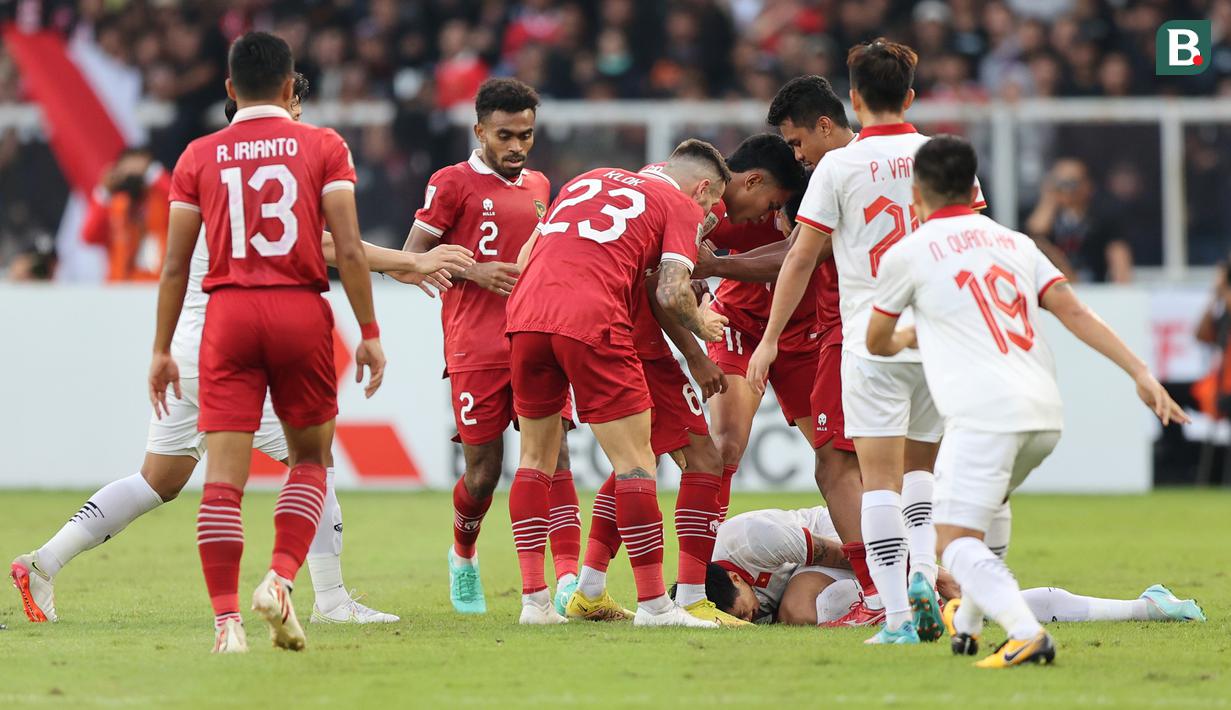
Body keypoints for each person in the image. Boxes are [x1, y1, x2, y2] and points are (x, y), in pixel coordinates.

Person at [9, 72, 470, 629]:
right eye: (295, 102)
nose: (297, 114)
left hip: (192, 347)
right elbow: (325, 243)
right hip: (236, 346)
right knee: (312, 462)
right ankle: (328, 601)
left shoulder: (205, 158)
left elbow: (189, 261)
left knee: (160, 479)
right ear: (275, 100)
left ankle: (43, 562)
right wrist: (412, 261)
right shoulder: (279, 157)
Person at [866, 134, 1188, 667]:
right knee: (985, 515)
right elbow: (1075, 312)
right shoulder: (1016, 242)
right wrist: (1140, 371)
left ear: (917, 194)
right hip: (1043, 413)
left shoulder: (910, 251)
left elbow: (877, 340)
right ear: (974, 189)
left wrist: (907, 337)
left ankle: (1025, 632)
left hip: (983, 415)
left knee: (952, 542)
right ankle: (967, 625)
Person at [155, 32, 410, 654]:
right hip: (299, 311)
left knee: (223, 481)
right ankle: (279, 579)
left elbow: (172, 265)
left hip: (228, 315)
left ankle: (226, 626)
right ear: (293, 84)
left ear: (229, 88)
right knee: (311, 462)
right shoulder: (323, 144)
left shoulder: (198, 155)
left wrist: (161, 350)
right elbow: (346, 249)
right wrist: (371, 333)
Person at [749, 44, 986, 645]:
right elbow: (974, 241)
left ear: (853, 100)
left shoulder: (840, 168)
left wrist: (770, 339)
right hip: (936, 340)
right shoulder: (944, 158)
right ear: (910, 96)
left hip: (868, 341)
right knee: (921, 477)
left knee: (872, 478)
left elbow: (802, 257)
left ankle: (894, 613)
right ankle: (925, 582)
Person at [565, 134, 803, 628]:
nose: (771, 213)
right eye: (772, 203)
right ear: (746, 183)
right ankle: (694, 593)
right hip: (684, 327)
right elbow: (663, 286)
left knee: (647, 451)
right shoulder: (696, 203)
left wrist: (701, 272)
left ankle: (590, 587)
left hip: (620, 321)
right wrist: (696, 345)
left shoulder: (655, 182)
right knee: (714, 453)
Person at [505, 140, 729, 626]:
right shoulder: (680, 204)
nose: (707, 214)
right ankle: (654, 605)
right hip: (592, 318)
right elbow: (671, 291)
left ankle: (534, 604)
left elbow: (525, 258)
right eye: (710, 205)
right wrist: (702, 325)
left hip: (526, 314)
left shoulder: (589, 176)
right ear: (703, 188)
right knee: (635, 462)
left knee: (533, 461)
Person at [403, 78, 581, 616]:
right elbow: (411, 260)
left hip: (536, 338)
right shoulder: (451, 182)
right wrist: (474, 271)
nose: (517, 146)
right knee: (483, 475)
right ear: (480, 130)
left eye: (526, 134)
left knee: (557, 459)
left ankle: (569, 581)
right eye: (505, 135)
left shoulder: (542, 184)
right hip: (474, 348)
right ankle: (463, 555)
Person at [699, 505, 1205, 628]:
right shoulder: (715, 589)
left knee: (799, 607)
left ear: (740, 577)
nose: (749, 618)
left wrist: (930, 574)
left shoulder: (753, 538)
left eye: (744, 611)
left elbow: (840, 551)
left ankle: (894, 614)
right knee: (978, 611)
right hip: (864, 561)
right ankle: (1148, 606)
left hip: (869, 541)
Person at [1024, 158, 1131, 284]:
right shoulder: (1044, 216)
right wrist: (1049, 199)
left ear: (1087, 186)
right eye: (1059, 183)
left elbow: (1120, 263)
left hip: (1092, 288)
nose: (1065, 190)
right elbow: (1035, 233)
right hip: (1054, 287)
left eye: (1072, 183)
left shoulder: (1103, 219)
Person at [81, 146, 172, 282]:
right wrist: (104, 191)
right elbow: (89, 235)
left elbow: (181, 199)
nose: (133, 173)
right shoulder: (115, 204)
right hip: (120, 288)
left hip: (157, 284)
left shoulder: (162, 201)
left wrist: (154, 172)